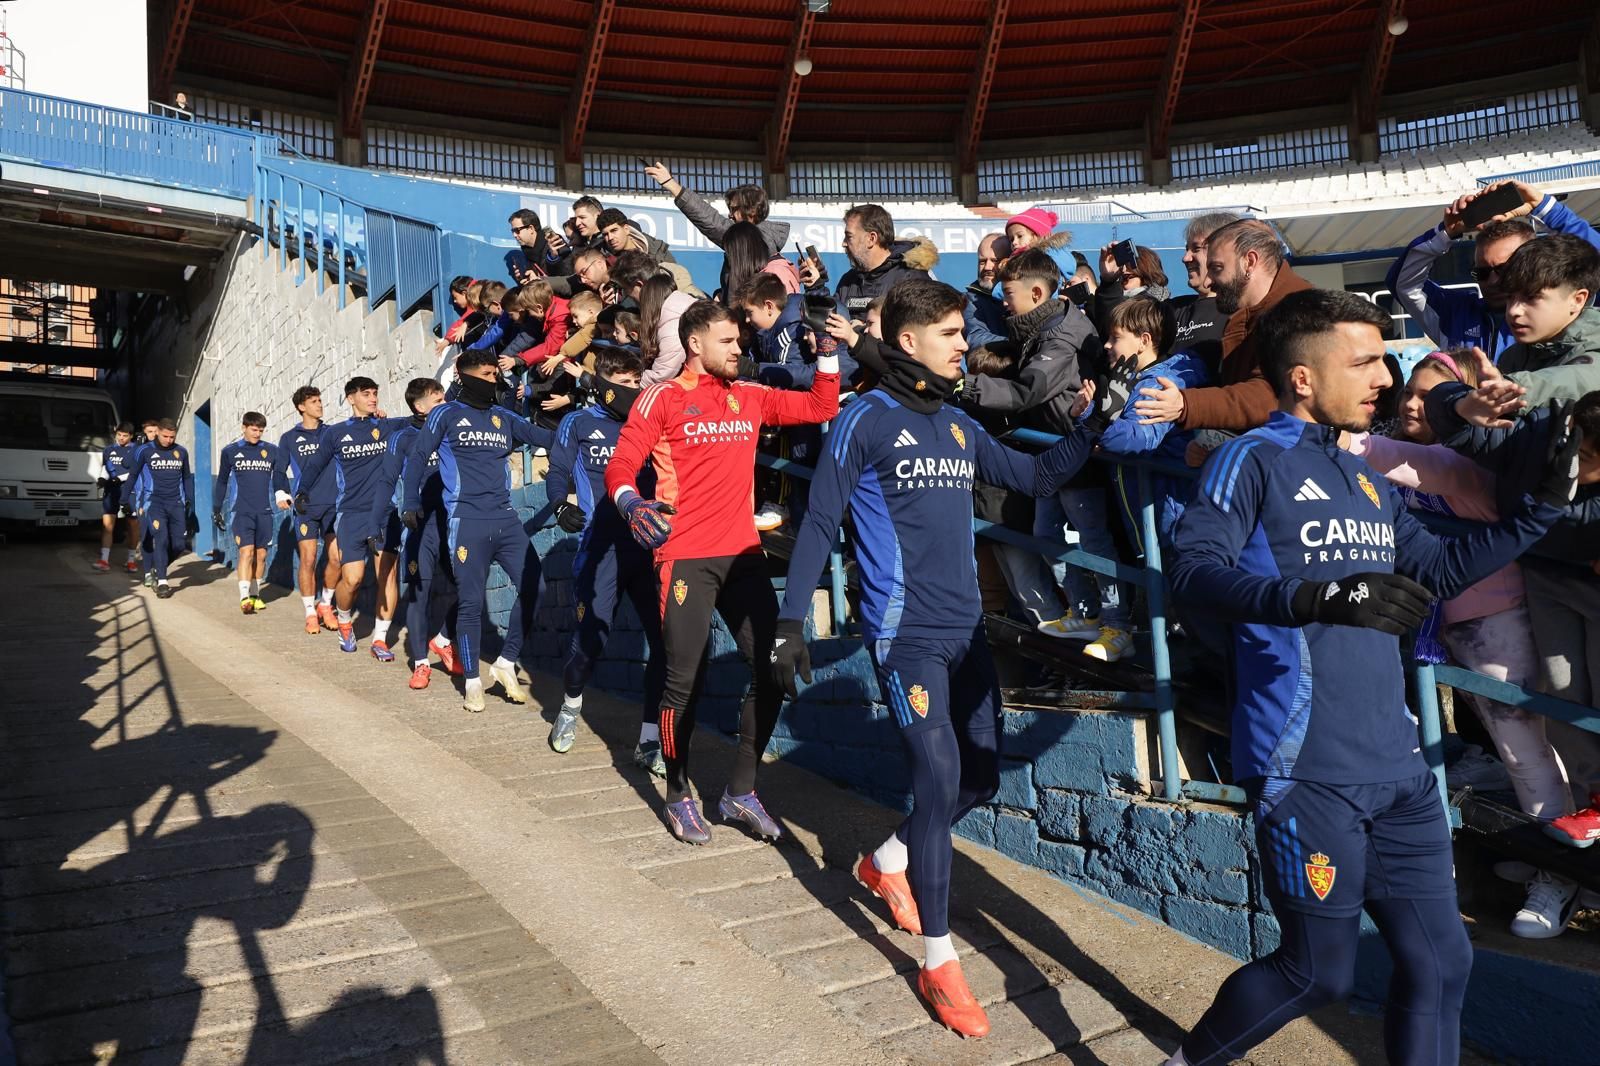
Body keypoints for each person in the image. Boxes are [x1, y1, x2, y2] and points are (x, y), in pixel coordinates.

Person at [1164, 288, 1578, 1066]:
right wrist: (1310, 598)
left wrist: (1534, 516)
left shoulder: (1363, 475)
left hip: (1399, 766)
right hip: (1305, 764)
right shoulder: (1249, 458)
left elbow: (1438, 567)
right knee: (1316, 973)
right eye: (1362, 362)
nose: (1385, 377)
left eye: (1384, 359)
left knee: (1444, 962)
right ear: (1302, 378)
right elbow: (1191, 572)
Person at [771, 278, 1099, 1039]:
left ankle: (885, 860)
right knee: (941, 777)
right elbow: (818, 520)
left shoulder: (956, 423)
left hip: (966, 629)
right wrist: (793, 621)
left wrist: (1095, 426)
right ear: (910, 340)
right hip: (904, 632)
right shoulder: (865, 419)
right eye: (951, 333)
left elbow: (1036, 476)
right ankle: (939, 958)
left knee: (981, 775)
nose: (964, 345)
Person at [1346, 352, 1581, 937]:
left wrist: (1327, 437)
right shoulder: (1432, 456)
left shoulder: (1461, 465)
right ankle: (1544, 849)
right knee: (1519, 750)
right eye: (1412, 393)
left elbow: (1394, 458)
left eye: (1435, 396)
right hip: (1456, 623)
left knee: (1529, 751)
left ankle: (1561, 878)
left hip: (1497, 621)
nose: (1413, 404)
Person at [604, 299, 840, 844]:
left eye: (740, 341)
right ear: (694, 344)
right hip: (684, 555)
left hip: (743, 554)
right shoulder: (662, 397)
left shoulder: (750, 395)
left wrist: (827, 351)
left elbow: (821, 407)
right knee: (683, 681)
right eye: (728, 342)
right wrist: (630, 504)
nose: (740, 349)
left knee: (775, 666)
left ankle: (740, 791)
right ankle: (677, 792)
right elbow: (621, 463)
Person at [962, 249, 1129, 657]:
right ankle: (1085, 611)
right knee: (1045, 535)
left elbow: (1028, 390)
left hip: (1078, 453)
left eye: (1009, 292)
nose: (1003, 300)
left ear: (1036, 292)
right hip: (1053, 452)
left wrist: (964, 387)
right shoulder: (1038, 327)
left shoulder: (1061, 335)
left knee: (1093, 540)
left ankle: (1118, 626)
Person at [405, 350, 552, 712]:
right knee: (471, 603)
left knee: (538, 587)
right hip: (466, 520)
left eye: (495, 374)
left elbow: (542, 437)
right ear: (465, 375)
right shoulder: (445, 413)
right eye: (487, 374)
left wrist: (575, 428)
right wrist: (409, 501)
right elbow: (417, 457)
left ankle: (504, 663)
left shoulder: (503, 416)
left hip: (505, 519)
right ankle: (472, 682)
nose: (494, 381)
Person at [545, 348, 667, 774]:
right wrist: (560, 505)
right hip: (601, 548)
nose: (638, 390)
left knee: (666, 644)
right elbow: (557, 469)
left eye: (640, 382)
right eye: (631, 383)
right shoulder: (579, 422)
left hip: (650, 547)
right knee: (591, 642)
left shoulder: (652, 421)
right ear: (608, 382)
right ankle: (571, 704)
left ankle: (650, 740)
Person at [1135, 219, 1313, 434]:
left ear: (1249, 262)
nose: (1210, 281)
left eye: (1217, 268)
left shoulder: (1298, 310)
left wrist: (1186, 405)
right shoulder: (1245, 314)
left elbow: (1271, 395)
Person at [1386, 179, 1600, 357]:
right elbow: (1402, 283)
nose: (1493, 281)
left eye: (1506, 269)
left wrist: (1546, 209)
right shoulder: (1454, 313)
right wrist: (1446, 233)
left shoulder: (1564, 310)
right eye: (1482, 273)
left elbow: (1592, 262)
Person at [290, 378, 413, 655]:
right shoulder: (335, 434)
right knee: (353, 579)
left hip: (386, 513)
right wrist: (302, 492)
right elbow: (315, 465)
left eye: (375, 393)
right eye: (366, 394)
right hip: (351, 515)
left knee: (388, 576)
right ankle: (344, 620)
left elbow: (422, 415)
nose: (373, 398)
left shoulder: (387, 426)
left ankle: (380, 640)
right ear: (350, 398)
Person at [1428, 233, 1600, 423]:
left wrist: (1509, 389)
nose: (1514, 311)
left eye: (1531, 297)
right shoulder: (1513, 357)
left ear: (1577, 300)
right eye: (1510, 297)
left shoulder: (1594, 350)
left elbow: (1574, 380)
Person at [367, 377, 460, 685]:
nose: (444, 404)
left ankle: (444, 639)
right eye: (437, 401)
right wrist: (374, 522)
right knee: (420, 592)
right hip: (420, 524)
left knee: (463, 587)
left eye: (445, 398)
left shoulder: (453, 427)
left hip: (456, 520)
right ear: (420, 408)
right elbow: (387, 480)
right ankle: (421, 663)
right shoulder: (403, 438)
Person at [279, 387, 344, 634]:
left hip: (334, 503)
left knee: (337, 558)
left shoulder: (332, 433)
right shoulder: (289, 438)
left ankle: (325, 604)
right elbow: (279, 470)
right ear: (301, 407)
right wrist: (282, 493)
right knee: (308, 559)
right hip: (306, 507)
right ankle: (309, 612)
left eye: (320, 400)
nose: (320, 405)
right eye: (314, 401)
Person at [213, 412, 291, 615]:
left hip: (264, 511)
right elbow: (221, 481)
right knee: (246, 552)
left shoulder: (271, 451)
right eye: (254, 429)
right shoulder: (230, 451)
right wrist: (216, 507)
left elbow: (280, 477)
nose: (257, 434)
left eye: (261, 430)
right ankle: (244, 597)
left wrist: (282, 495)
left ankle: (255, 595)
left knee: (262, 555)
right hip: (241, 511)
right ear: (244, 428)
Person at [810, 204, 937, 317]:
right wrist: (816, 286)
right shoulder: (849, 280)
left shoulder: (910, 278)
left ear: (871, 238)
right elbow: (830, 322)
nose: (844, 243)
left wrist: (861, 332)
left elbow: (917, 330)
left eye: (849, 237)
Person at [643, 161, 791, 256]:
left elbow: (713, 222)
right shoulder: (765, 239)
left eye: (733, 209)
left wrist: (671, 184)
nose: (729, 215)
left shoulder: (754, 239)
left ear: (751, 211)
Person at [120, 419, 197, 600]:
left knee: (178, 544)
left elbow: (186, 478)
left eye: (172, 437)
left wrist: (190, 500)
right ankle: (162, 581)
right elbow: (132, 474)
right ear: (158, 433)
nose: (169, 440)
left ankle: (157, 568)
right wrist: (124, 499)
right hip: (154, 503)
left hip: (176, 503)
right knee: (160, 538)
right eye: (165, 436)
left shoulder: (181, 452)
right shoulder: (145, 451)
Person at [94, 423, 138, 573]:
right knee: (107, 525)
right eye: (119, 435)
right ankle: (104, 560)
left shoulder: (136, 450)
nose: (121, 438)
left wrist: (120, 478)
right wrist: (101, 478)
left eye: (125, 436)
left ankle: (131, 560)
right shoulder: (109, 450)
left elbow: (135, 471)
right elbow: (106, 467)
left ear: (131, 436)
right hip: (111, 491)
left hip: (129, 491)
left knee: (132, 525)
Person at [963, 232, 1010, 346]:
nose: (987, 267)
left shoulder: (1024, 294)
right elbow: (975, 337)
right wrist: (1020, 345)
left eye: (995, 261)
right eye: (982, 261)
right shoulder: (970, 301)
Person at [596, 207, 678, 264]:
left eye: (614, 231)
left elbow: (678, 279)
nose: (610, 238)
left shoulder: (656, 249)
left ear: (626, 229)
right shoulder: (603, 261)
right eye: (605, 234)